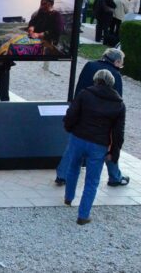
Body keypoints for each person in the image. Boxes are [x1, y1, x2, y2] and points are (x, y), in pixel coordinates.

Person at [55, 48, 129, 187]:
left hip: (83, 117)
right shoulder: (115, 75)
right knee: (109, 149)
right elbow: (117, 101)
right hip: (102, 124)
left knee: (72, 148)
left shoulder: (89, 65)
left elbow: (78, 90)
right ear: (117, 61)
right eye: (121, 63)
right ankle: (114, 177)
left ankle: (61, 175)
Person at [62, 70, 125, 225]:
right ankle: (83, 215)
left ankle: (68, 198)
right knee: (92, 180)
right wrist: (113, 153)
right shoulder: (118, 104)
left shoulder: (85, 94)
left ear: (96, 80)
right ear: (112, 84)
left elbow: (71, 114)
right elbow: (118, 133)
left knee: (73, 168)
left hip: (78, 137)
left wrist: (69, 128)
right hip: (99, 144)